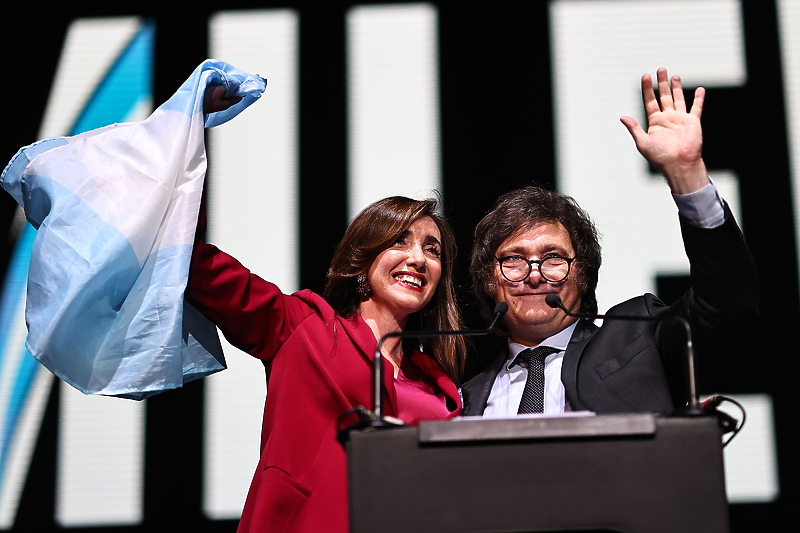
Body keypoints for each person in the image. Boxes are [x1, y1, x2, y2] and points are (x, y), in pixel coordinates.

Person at [191, 87, 467, 532]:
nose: (418, 258)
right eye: (399, 241)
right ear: (363, 261)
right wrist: (191, 131)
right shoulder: (303, 329)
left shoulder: (441, 385)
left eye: (432, 249)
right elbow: (197, 265)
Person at [462, 68, 758, 416]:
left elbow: (729, 300)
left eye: (553, 257)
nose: (534, 274)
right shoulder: (463, 396)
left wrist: (686, 173)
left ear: (583, 275)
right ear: (488, 280)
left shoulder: (639, 341)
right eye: (514, 259)